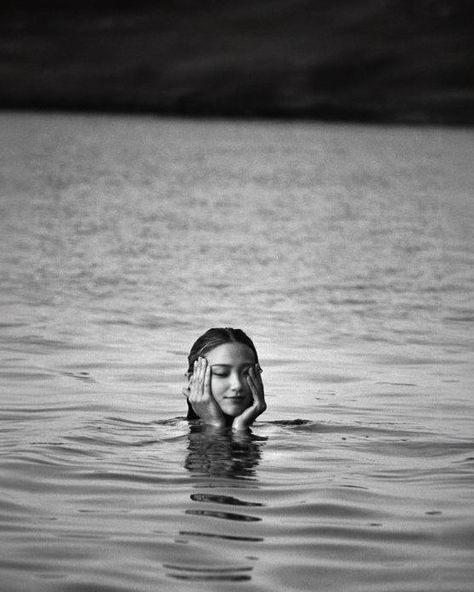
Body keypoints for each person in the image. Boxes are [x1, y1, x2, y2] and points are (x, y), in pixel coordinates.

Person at [184, 328, 266, 430]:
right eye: (221, 373)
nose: (237, 385)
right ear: (193, 381)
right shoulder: (168, 433)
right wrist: (214, 424)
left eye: (246, 373)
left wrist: (241, 428)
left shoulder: (280, 432)